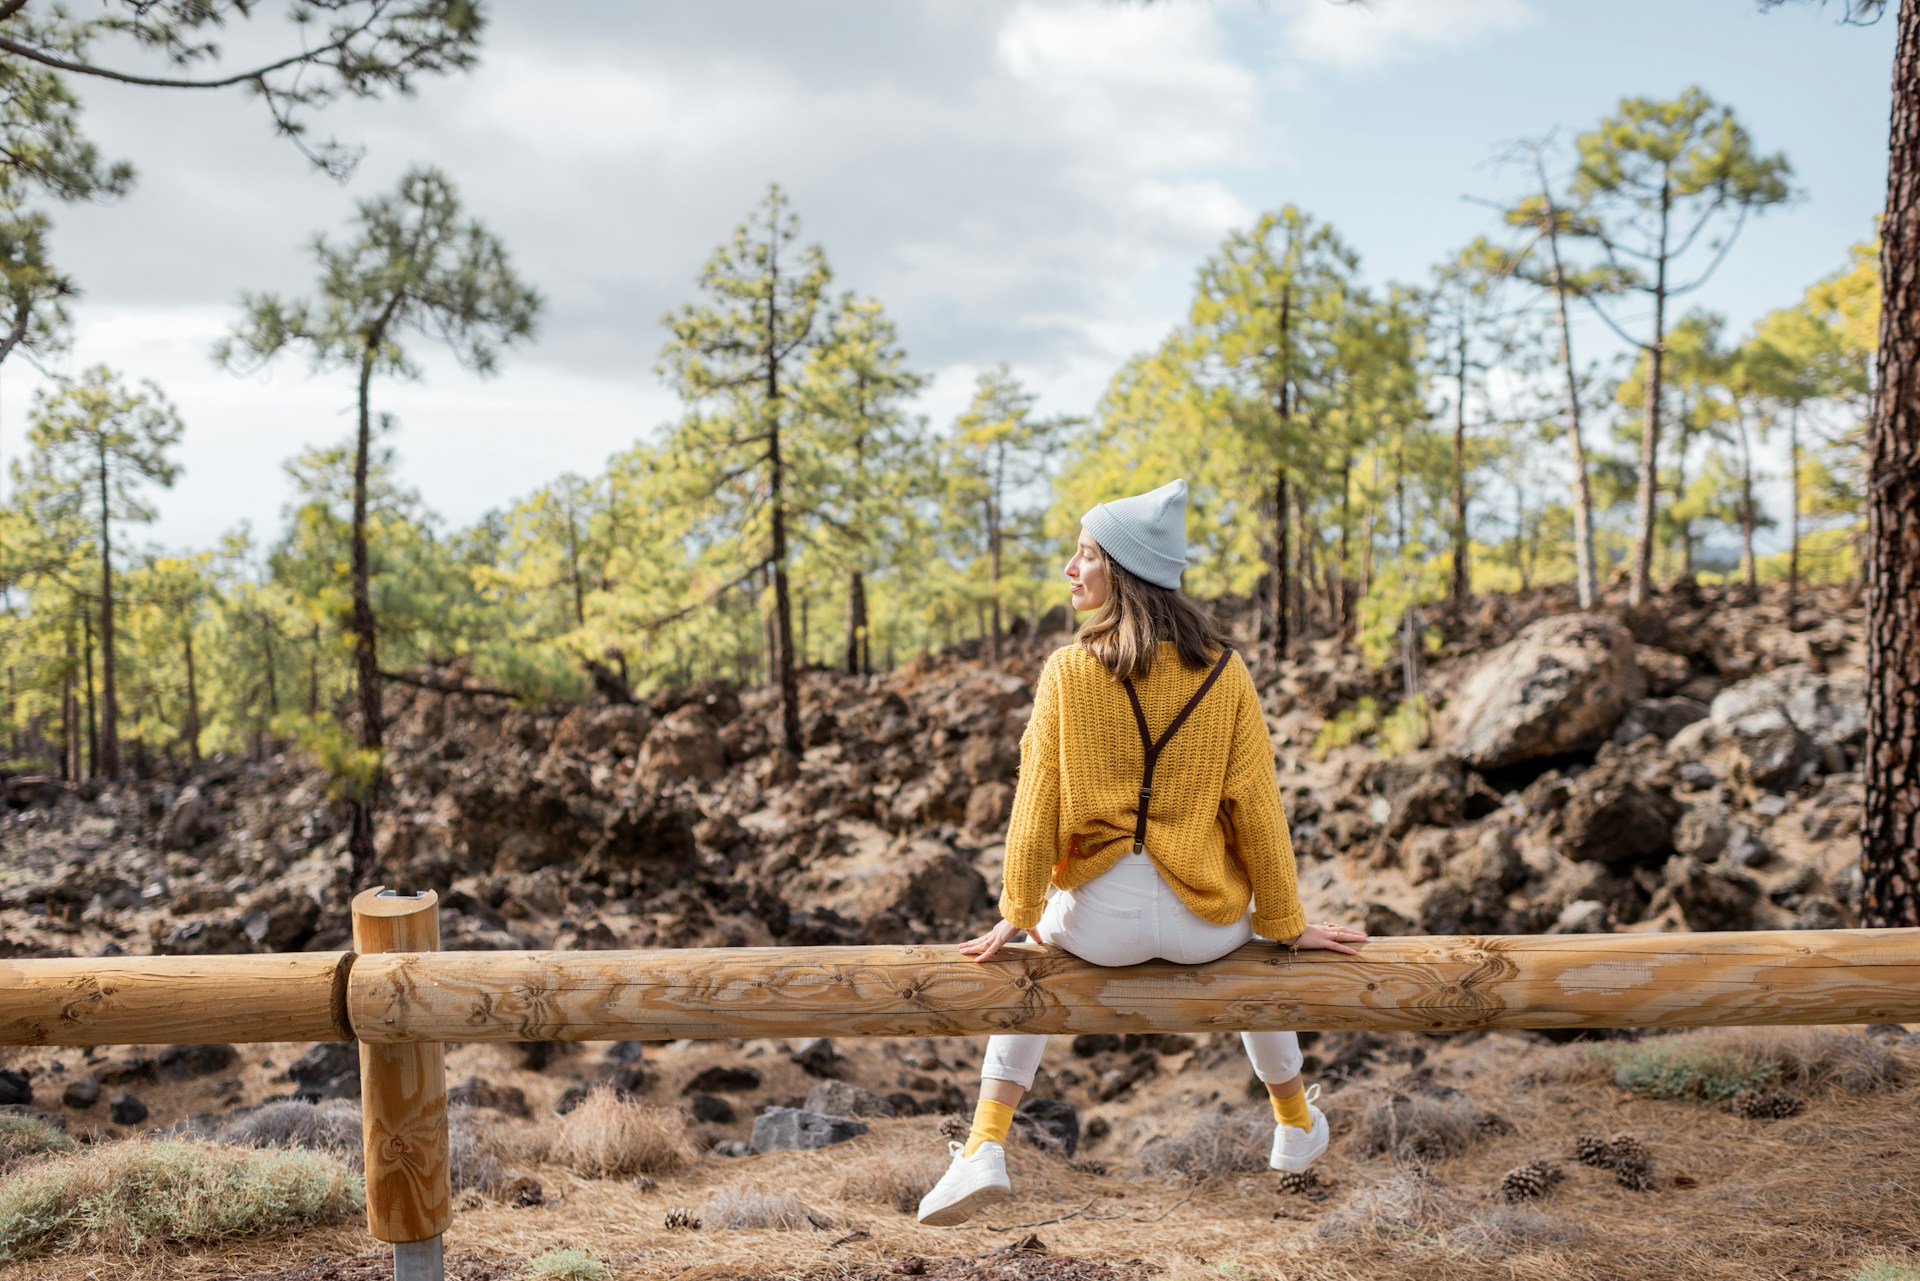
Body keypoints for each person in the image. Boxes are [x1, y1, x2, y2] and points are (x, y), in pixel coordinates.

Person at [916, 477, 1368, 1227]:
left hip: (1096, 923)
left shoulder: (1068, 670)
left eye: (1086, 554)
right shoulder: (1226, 672)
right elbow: (1258, 809)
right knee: (1259, 942)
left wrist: (1017, 912)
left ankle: (984, 1144)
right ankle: (1292, 1123)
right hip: (1203, 925)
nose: (1071, 567)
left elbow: (1037, 804)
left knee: (1031, 950)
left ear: (1121, 572)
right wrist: (1287, 923)